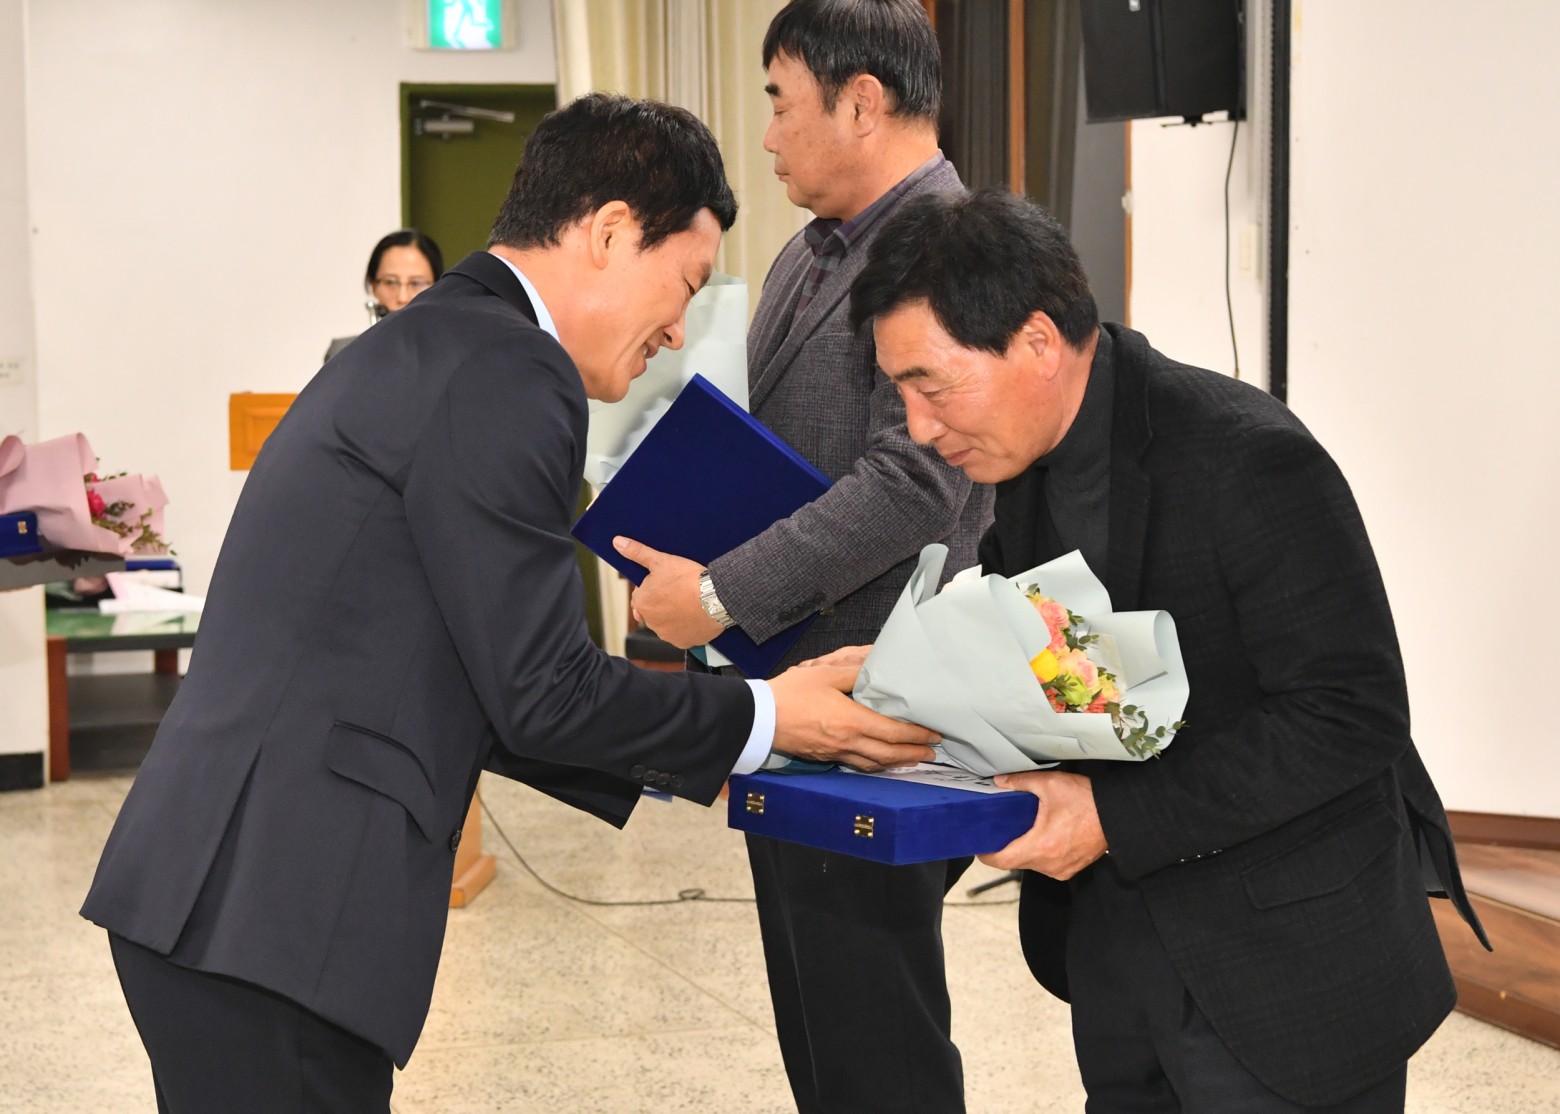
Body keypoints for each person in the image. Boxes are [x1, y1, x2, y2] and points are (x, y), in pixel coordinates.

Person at [80, 94, 940, 1114]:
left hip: (230, 891)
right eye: (685, 285)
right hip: (276, 909)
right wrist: (768, 716)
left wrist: (726, 755)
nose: (678, 330)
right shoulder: (509, 367)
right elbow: (543, 691)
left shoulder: (441, 342)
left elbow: (482, 683)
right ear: (609, 231)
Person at [849, 187, 1490, 1113]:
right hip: (1119, 959)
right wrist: (901, 694)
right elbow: (1074, 672)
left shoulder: (1247, 457)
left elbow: (1352, 714)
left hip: (1284, 969)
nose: (918, 426)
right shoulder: (1022, 468)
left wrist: (1111, 818)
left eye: (932, 387)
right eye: (900, 393)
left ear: (1037, 343)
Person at [620, 3, 991, 1111]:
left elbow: (917, 482)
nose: (769, 136)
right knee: (824, 1028)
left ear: (860, 101)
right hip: (791, 690)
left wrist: (721, 589)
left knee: (877, 1038)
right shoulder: (811, 248)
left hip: (873, 698)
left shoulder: (948, 247)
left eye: (782, 104)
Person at [323, 228, 445, 362]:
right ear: (373, 286)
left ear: (437, 286)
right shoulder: (343, 354)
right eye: (390, 282)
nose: (402, 297)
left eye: (416, 283)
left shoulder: (455, 353)